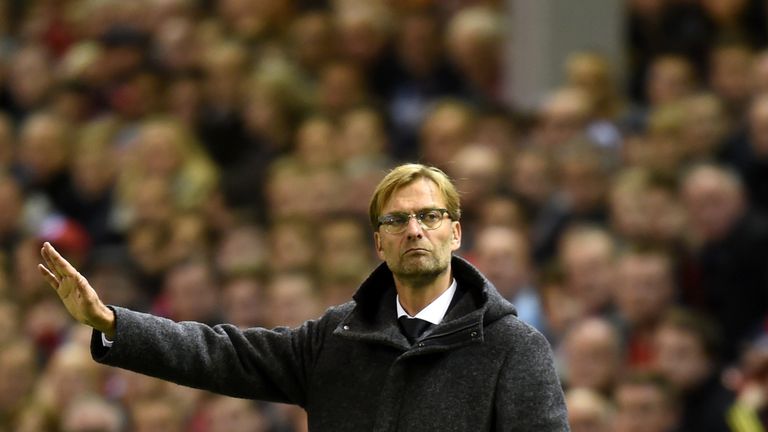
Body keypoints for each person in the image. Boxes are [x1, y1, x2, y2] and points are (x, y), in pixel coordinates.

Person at [37, 163, 569, 431]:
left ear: (455, 232)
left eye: (430, 216)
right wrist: (111, 322)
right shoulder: (337, 337)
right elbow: (223, 354)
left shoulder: (513, 347)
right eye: (397, 220)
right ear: (378, 241)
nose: (415, 230)